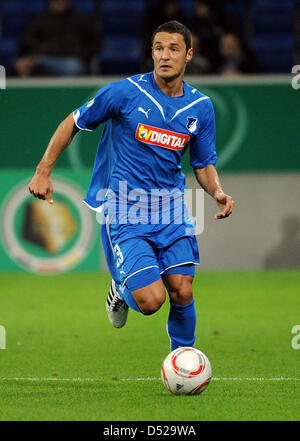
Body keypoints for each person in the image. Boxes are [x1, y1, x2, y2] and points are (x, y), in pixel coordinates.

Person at [28, 21, 234, 352]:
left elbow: (203, 163)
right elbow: (73, 121)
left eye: (173, 49)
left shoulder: (201, 107)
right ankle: (121, 289)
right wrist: (43, 170)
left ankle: (183, 360)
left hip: (172, 208)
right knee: (152, 301)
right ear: (151, 52)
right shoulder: (124, 92)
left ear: (189, 55)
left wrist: (217, 191)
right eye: (158, 49)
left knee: (182, 289)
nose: (164, 56)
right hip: (125, 208)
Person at [11, 0, 100, 77]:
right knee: (22, 64)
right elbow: (27, 40)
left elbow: (96, 44)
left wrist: (80, 53)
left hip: (73, 59)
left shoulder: (82, 20)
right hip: (45, 58)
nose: (59, 2)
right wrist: (40, 48)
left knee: (73, 66)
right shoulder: (42, 20)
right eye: (56, 1)